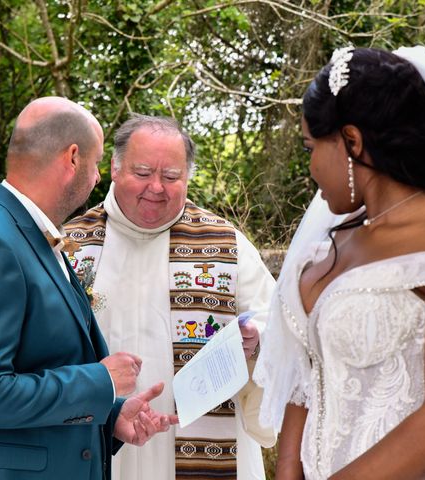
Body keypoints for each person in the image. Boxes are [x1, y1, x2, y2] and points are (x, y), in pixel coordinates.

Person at [253, 46, 425, 480]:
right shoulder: (331, 244)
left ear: (352, 140)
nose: (310, 167)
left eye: (312, 147)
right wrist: (288, 468)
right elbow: (306, 380)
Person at [0, 97, 177, 480]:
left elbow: (39, 365)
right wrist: (101, 381)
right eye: (94, 165)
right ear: (72, 158)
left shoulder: (31, 236)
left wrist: (108, 415)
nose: (96, 179)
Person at [63, 114, 277, 480]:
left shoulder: (227, 246)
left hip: (208, 448)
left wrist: (257, 339)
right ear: (114, 167)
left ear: (188, 177)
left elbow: (278, 325)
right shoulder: (69, 247)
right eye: (143, 172)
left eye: (171, 176)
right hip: (101, 441)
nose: (156, 188)